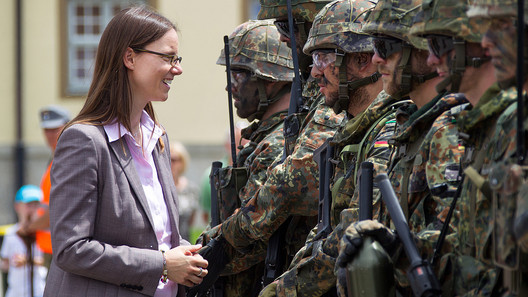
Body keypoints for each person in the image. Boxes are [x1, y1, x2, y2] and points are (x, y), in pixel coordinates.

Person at [44, 6, 208, 297]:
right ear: (129, 57)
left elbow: (156, 237)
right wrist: (162, 264)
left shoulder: (158, 139)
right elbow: (71, 249)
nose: (178, 68)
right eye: (168, 57)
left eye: (177, 58)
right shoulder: (84, 141)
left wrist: (185, 253)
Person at [204, 19, 295, 296]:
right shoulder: (263, 139)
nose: (230, 87)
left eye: (239, 75)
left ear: (270, 81)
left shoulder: (277, 144)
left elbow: (249, 242)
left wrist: (196, 258)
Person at [17, 105, 71, 271]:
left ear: (67, 127)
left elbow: (58, 210)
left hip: (62, 250)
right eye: (46, 130)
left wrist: (29, 227)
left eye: (55, 129)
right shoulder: (54, 158)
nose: (49, 134)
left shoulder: (66, 159)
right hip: (51, 249)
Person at [1, 185, 48, 297]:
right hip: (15, 292)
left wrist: (27, 260)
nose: (32, 209)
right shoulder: (11, 233)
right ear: (17, 206)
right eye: (28, 205)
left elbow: (47, 262)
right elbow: (5, 263)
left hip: (39, 291)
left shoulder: (44, 233)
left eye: (36, 205)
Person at [170, 141, 200, 242]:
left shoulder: (192, 189)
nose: (171, 163)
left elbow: (191, 221)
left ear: (182, 162)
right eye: (168, 159)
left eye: (174, 159)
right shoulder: (159, 187)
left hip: (185, 240)